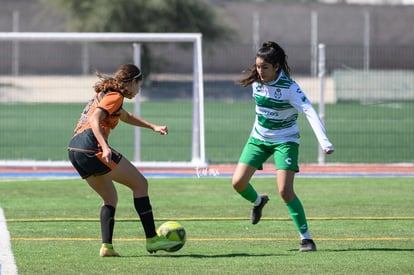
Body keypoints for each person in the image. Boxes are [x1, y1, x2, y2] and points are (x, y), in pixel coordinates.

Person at [68, 64, 181, 257]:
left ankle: (107, 247)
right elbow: (95, 119)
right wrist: (104, 147)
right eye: (139, 85)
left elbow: (126, 116)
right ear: (132, 82)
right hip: (91, 147)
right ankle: (152, 239)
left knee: (110, 198)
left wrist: (153, 126)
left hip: (74, 150)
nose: (138, 90)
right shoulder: (115, 96)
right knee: (140, 184)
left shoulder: (106, 95)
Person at [232, 41, 334, 252]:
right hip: (258, 138)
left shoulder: (290, 88)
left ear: (277, 66)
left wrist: (324, 142)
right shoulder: (256, 81)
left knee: (285, 191)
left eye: (264, 67)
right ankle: (259, 201)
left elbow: (309, 112)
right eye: (258, 66)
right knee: (238, 183)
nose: (259, 71)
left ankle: (307, 239)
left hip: (285, 141)